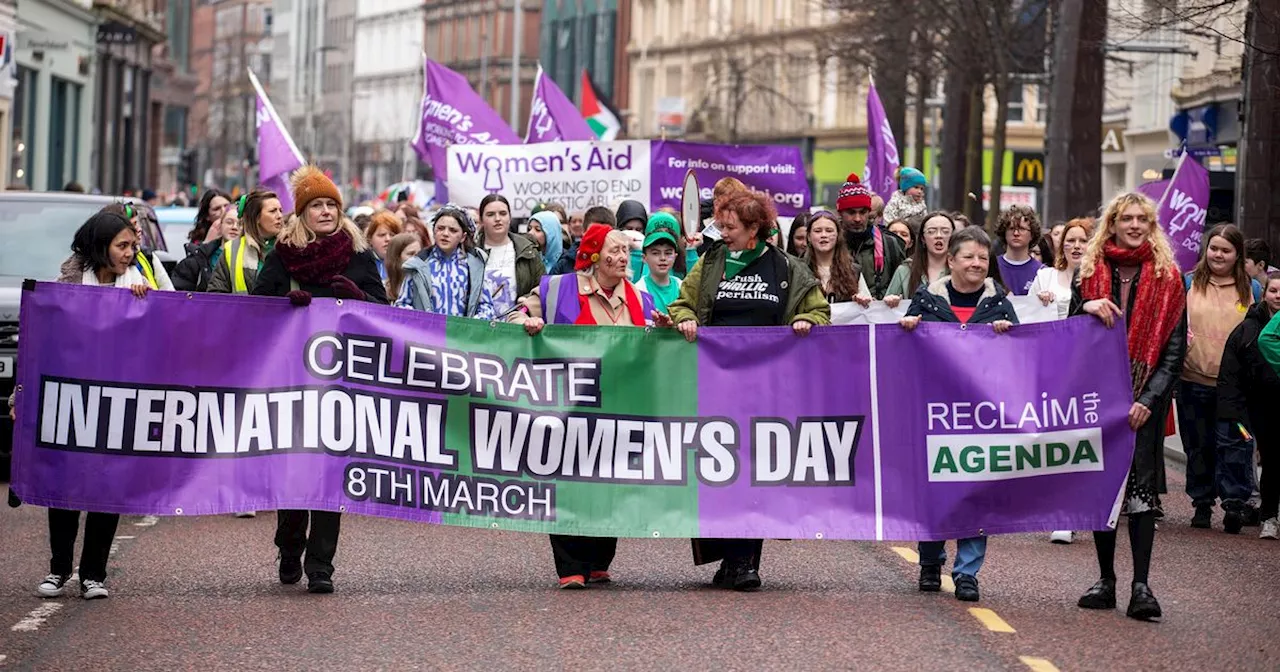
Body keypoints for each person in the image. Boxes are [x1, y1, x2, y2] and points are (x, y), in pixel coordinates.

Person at [657, 190, 830, 592]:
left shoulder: (787, 268)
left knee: (756, 473)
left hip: (768, 390)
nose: (723, 232)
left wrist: (805, 319)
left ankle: (744, 561)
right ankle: (730, 560)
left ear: (755, 229)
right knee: (719, 472)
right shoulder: (711, 261)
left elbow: (819, 311)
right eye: (721, 224)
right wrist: (683, 321)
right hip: (714, 387)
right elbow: (682, 304)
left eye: (731, 227)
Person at [251, 166, 389, 595]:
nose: (326, 211)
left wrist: (359, 297)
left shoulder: (360, 255)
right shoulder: (281, 255)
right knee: (295, 471)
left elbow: (386, 314)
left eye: (331, 204)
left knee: (331, 473)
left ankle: (321, 565)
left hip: (341, 382)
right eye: (317, 206)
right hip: (291, 380)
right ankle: (290, 546)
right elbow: (254, 311)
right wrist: (282, 305)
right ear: (303, 214)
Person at [505, 224, 653, 589]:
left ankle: (600, 559)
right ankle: (571, 564)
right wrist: (529, 321)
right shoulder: (558, 289)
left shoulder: (638, 296)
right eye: (614, 250)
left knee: (609, 481)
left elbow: (651, 341)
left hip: (619, 405)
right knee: (569, 482)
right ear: (594, 256)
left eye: (624, 251)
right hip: (569, 406)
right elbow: (514, 313)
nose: (622, 258)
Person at [1073, 191, 1186, 622]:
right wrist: (1086, 305)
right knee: (1105, 492)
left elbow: (1174, 353)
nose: (1135, 225)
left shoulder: (1169, 277)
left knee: (1140, 495)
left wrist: (1147, 400)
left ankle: (1141, 585)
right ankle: (1107, 580)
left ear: (1151, 225)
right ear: (1113, 224)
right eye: (1127, 218)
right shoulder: (1090, 272)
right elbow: (1066, 332)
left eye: (1142, 219)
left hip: (1143, 403)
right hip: (1097, 397)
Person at [36, 210, 156, 600]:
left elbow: (158, 339)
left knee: (108, 486)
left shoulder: (140, 283)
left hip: (117, 401)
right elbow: (44, 341)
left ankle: (93, 575)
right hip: (72, 398)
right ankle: (58, 570)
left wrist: (145, 306)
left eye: (133, 246)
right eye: (122, 246)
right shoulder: (68, 282)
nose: (129, 253)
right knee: (65, 485)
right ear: (100, 246)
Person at [899, 227, 1017, 603]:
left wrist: (1008, 334)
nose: (977, 264)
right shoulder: (926, 299)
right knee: (935, 489)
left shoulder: (999, 303)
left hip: (980, 416)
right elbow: (902, 354)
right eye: (969, 256)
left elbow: (1019, 358)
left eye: (983, 258)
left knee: (976, 491)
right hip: (934, 413)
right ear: (950, 261)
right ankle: (930, 562)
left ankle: (967, 573)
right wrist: (907, 328)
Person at [1179, 224, 1262, 532]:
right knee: (1197, 445)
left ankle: (1234, 505)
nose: (1218, 255)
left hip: (1236, 391)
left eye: (1225, 250)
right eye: (1213, 248)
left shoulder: (1251, 289)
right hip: (1192, 382)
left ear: (1237, 254)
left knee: (1236, 445)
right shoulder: (1189, 282)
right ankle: (1201, 503)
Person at [1218, 272, 1280, 539]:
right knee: (1270, 460)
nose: (1278, 296)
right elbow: (1231, 374)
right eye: (1273, 290)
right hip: (1259, 407)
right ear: (1263, 293)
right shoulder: (1247, 329)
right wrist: (1233, 411)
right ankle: (1267, 515)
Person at [396, 206, 496, 319]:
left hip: (463, 335)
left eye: (453, 230)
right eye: (440, 228)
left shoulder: (475, 266)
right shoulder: (418, 265)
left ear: (463, 237)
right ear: (433, 231)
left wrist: (469, 327)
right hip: (424, 335)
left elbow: (487, 307)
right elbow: (402, 304)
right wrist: (420, 321)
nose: (445, 234)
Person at [835, 173, 906, 299]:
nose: (858, 219)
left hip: (882, 317)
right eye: (851, 212)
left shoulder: (890, 245)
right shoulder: (829, 245)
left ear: (869, 213)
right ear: (840, 213)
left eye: (863, 212)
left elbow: (904, 285)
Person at [477, 194, 544, 316]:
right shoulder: (471, 253)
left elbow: (542, 288)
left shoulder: (528, 250)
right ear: (481, 220)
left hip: (518, 327)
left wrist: (526, 305)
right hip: (480, 328)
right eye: (490, 214)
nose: (497, 219)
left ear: (510, 217)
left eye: (503, 213)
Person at [209, 190, 286, 295]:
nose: (280, 216)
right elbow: (216, 294)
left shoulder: (290, 248)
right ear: (256, 217)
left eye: (281, 211)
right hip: (241, 311)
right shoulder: (232, 250)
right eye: (273, 211)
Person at [883, 211, 958, 307]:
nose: (939, 235)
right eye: (931, 231)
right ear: (923, 238)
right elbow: (885, 311)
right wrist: (891, 301)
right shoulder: (905, 270)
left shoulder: (960, 271)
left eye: (945, 231)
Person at [1031, 217, 1093, 320]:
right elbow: (1027, 315)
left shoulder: (1099, 279)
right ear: (1062, 246)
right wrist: (1037, 302)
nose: (1076, 246)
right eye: (1071, 240)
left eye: (1083, 241)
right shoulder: (1044, 277)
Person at [805, 210, 869, 305]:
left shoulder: (854, 271)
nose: (824, 235)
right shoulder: (798, 269)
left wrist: (860, 300)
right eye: (818, 231)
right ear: (809, 236)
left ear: (838, 235)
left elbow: (869, 306)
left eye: (829, 231)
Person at [634, 212, 684, 314]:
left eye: (668, 253)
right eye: (655, 253)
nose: (662, 258)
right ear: (644, 258)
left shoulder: (682, 287)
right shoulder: (638, 290)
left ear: (675, 256)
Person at [995, 204, 1044, 295]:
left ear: (1032, 234)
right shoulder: (992, 266)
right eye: (1011, 228)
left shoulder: (1042, 272)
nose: (1016, 233)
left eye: (1022, 229)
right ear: (1004, 233)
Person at [555, 206, 616, 275]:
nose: (599, 238)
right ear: (584, 232)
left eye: (605, 233)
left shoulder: (620, 265)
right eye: (594, 232)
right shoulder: (565, 264)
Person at [364, 211, 403, 281]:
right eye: (382, 235)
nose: (388, 239)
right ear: (370, 239)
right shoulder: (362, 265)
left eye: (392, 235)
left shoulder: (406, 263)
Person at [384, 232, 422, 300]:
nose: (417, 259)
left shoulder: (427, 288)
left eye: (419, 254)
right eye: (411, 254)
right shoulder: (382, 290)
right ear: (396, 257)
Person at [528, 210, 565, 275]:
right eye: (529, 228)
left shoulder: (566, 262)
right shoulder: (528, 258)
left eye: (538, 229)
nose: (530, 233)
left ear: (551, 234)